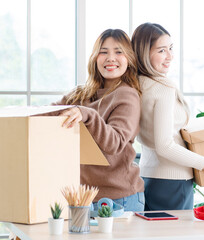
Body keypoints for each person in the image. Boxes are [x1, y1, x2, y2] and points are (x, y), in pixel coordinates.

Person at [131, 23, 204, 210]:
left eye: (171, 48)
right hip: (173, 182)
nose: (170, 56)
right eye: (162, 50)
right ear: (144, 54)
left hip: (148, 177)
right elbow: (165, 145)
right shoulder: (162, 87)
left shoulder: (135, 85)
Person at [52, 29, 145, 212]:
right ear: (95, 57)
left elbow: (115, 143)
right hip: (84, 197)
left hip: (121, 199)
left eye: (119, 52)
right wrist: (10, 113)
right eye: (104, 52)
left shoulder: (127, 95)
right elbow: (50, 112)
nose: (110, 58)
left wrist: (87, 114)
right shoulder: (81, 94)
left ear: (129, 59)